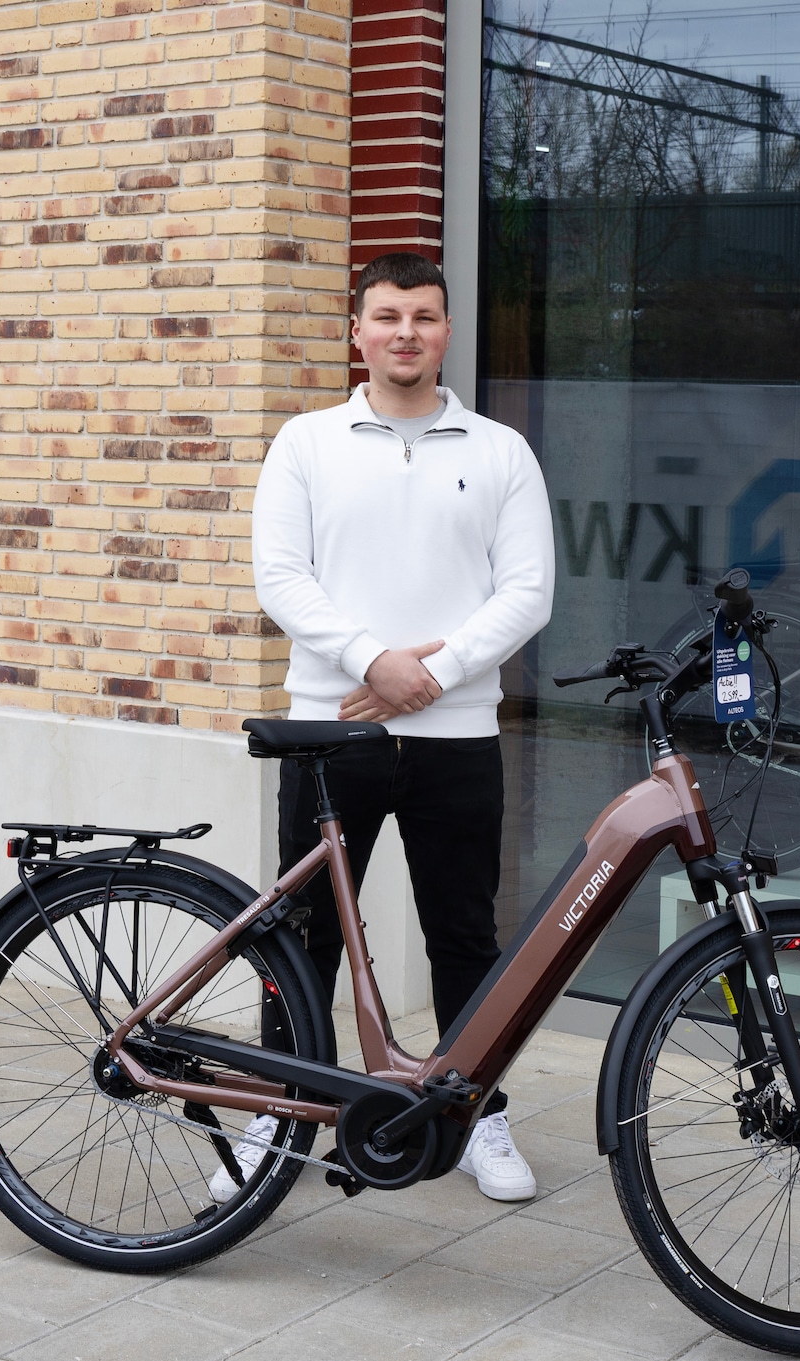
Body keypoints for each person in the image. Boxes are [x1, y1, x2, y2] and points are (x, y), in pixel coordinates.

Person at [214, 251, 555, 1203]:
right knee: (304, 938)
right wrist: (374, 661)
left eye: (426, 316)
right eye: (388, 315)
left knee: (464, 939)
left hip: (459, 739)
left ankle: (478, 1115)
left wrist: (432, 673)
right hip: (332, 736)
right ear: (355, 331)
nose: (407, 332)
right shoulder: (306, 443)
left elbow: (529, 591)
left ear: (447, 332)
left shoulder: (499, 452)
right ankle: (276, 1114)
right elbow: (280, 576)